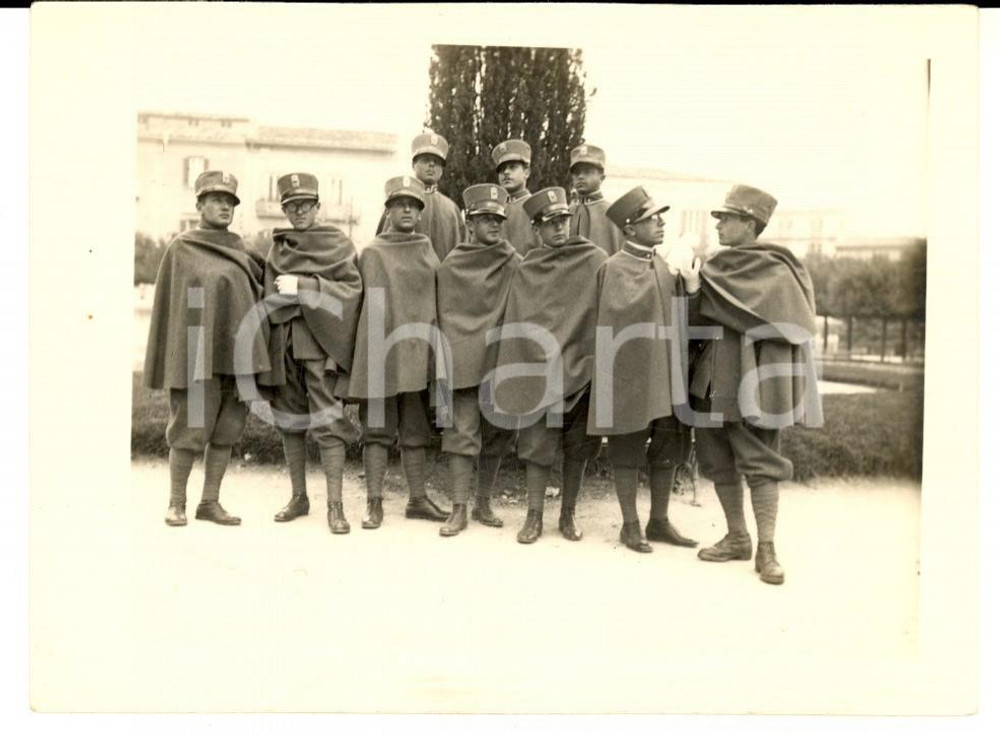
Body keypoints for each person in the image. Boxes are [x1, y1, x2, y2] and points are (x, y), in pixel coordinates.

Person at [690, 184, 823, 585]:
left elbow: (792, 329)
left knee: (760, 460)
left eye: (726, 219)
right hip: (713, 375)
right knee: (716, 457)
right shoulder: (713, 266)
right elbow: (696, 322)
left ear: (750, 223)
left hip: (754, 378)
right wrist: (692, 289)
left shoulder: (779, 271)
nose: (718, 225)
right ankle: (737, 537)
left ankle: (767, 548)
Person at [143, 171, 270, 527]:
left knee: (228, 428)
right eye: (216, 200)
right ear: (199, 205)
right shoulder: (182, 249)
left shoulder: (243, 249)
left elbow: (263, 290)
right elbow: (171, 307)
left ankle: (210, 503)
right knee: (190, 428)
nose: (225, 207)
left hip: (238, 355)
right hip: (196, 356)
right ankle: (177, 503)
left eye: (230, 202)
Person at [491, 187, 608, 544]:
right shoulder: (528, 267)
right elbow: (520, 318)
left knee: (579, 444)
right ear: (536, 229)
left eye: (563, 221)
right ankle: (534, 515)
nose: (559, 228)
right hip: (540, 369)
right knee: (537, 444)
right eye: (550, 223)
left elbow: (606, 309)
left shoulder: (595, 259)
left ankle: (568, 513)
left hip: (582, 367)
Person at [588, 186, 700, 553]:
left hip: (666, 375)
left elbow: (682, 316)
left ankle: (659, 520)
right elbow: (604, 324)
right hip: (628, 377)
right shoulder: (612, 269)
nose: (661, 224)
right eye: (652, 219)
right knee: (627, 446)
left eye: (661, 217)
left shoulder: (664, 268)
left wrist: (691, 287)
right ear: (630, 228)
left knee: (668, 444)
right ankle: (630, 524)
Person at [259, 173, 364, 534]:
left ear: (318, 206)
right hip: (283, 342)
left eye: (305, 204)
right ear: (284, 209)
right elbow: (267, 294)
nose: (299, 211)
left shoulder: (337, 243)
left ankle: (336, 506)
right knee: (289, 418)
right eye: (292, 206)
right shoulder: (279, 247)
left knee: (328, 421)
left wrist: (304, 287)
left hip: (321, 344)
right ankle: (298, 497)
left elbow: (351, 291)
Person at [349, 176, 451, 529]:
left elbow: (437, 302)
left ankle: (417, 499)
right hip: (381, 355)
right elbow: (357, 305)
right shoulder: (371, 253)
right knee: (377, 429)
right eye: (399, 204)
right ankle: (374, 502)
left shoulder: (428, 252)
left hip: (417, 354)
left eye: (413, 205)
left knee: (415, 429)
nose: (406, 210)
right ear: (388, 211)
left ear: (421, 213)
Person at [435, 184, 522, 536]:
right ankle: (459, 508)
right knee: (461, 431)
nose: (494, 224)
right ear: (469, 223)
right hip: (463, 360)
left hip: (501, 358)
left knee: (499, 432)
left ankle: (483, 501)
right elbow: (445, 313)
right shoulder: (452, 263)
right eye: (485, 218)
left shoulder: (514, 261)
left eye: (498, 219)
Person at [376, 132, 465, 263]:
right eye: (425, 160)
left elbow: (463, 256)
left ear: (442, 169)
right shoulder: (397, 204)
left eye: (437, 162)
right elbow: (381, 250)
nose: (431, 165)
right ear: (414, 165)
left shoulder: (452, 210)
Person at [568, 143, 624, 257]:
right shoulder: (568, 212)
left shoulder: (613, 214)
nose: (580, 176)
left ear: (601, 177)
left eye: (587, 172)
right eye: (576, 173)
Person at [491, 139, 535, 256]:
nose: (506, 172)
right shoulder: (495, 210)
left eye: (512, 167)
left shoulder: (535, 208)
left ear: (526, 173)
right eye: (501, 169)